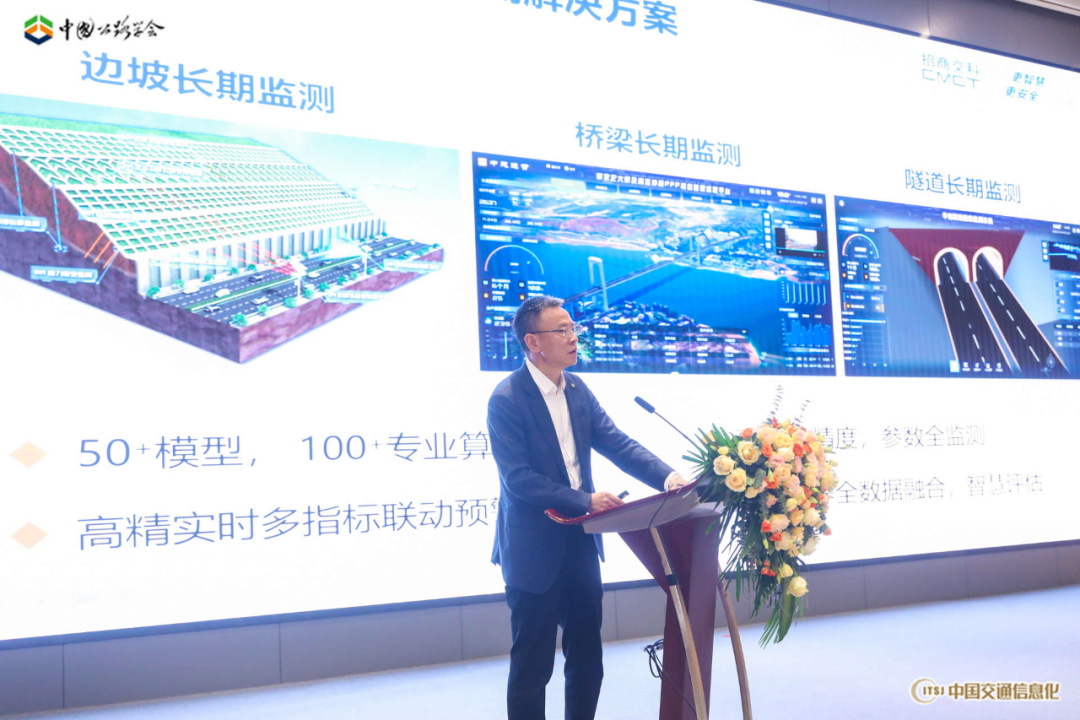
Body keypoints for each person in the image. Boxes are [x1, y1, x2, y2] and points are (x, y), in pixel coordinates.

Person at [487, 295, 687, 720]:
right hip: (532, 549)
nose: (573, 337)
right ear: (533, 342)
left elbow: (618, 444)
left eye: (572, 328)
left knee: (587, 660)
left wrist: (668, 477)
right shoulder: (507, 398)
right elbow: (518, 479)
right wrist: (585, 501)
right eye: (561, 330)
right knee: (532, 667)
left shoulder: (577, 389)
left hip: (580, 543)